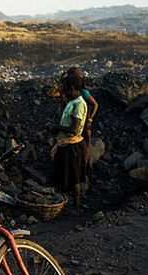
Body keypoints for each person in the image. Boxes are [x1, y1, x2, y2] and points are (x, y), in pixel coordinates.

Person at [48, 74, 88, 215]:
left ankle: (76, 208)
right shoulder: (72, 101)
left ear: (72, 88)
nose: (63, 90)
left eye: (65, 87)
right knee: (61, 174)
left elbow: (74, 128)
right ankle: (59, 204)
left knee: (74, 178)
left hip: (73, 146)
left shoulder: (79, 104)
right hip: (65, 144)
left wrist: (56, 127)